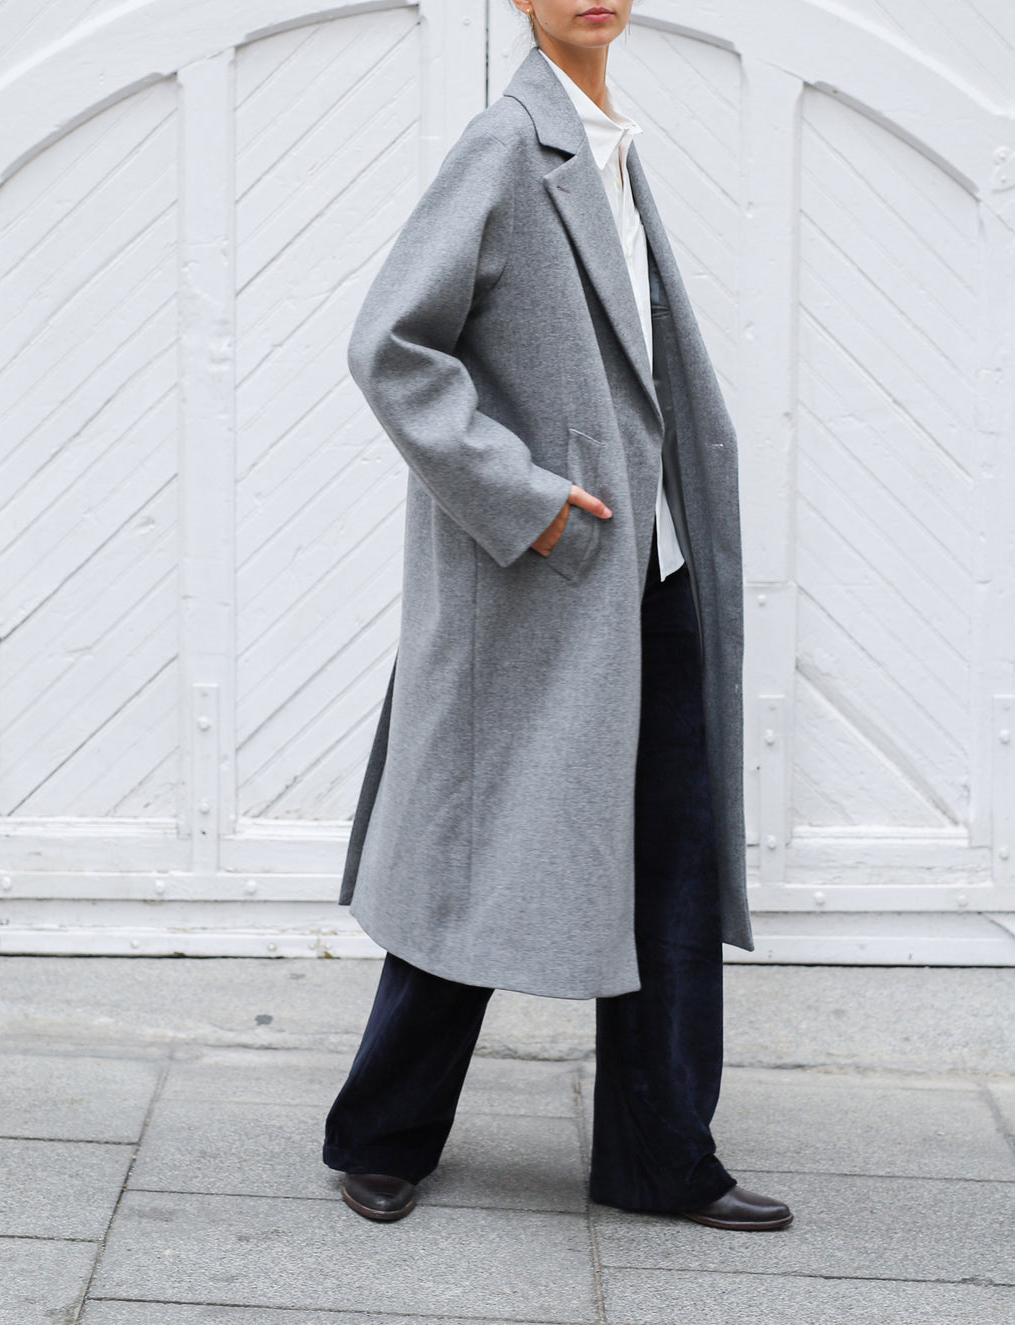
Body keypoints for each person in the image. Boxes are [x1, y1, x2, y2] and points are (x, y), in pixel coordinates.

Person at [321, 0, 792, 1231]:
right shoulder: (505, 143)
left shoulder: (611, 144)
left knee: (670, 868)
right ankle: (381, 1133)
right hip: (549, 576)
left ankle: (661, 1154)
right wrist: (524, 501)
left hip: (653, 568)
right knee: (476, 849)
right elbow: (391, 346)